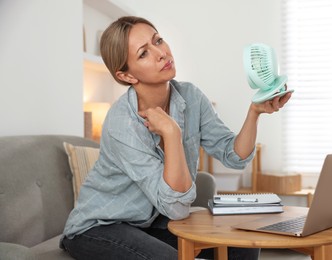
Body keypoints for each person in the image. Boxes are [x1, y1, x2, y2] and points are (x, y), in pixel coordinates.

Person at [60, 16, 291, 260]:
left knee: (243, 243)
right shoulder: (122, 123)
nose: (161, 52)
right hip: (100, 226)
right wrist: (172, 134)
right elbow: (177, 208)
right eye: (143, 53)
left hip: (150, 224)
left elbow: (235, 156)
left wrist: (254, 112)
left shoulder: (190, 96)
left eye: (158, 40)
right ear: (127, 76)